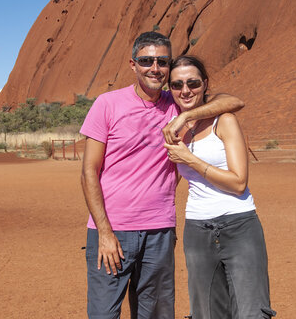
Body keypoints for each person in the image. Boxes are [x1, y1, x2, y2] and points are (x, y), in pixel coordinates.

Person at [80, 32, 244, 319]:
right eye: (146, 60)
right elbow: (89, 172)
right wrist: (104, 232)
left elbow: (233, 101)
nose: (154, 68)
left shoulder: (178, 103)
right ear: (133, 64)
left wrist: (184, 116)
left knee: (156, 314)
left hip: (159, 231)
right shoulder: (107, 104)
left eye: (162, 62)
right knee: (103, 313)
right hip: (112, 231)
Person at [164, 55, 276, 319]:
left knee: (251, 312)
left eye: (193, 83)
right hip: (197, 229)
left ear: (204, 84)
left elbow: (238, 183)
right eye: (177, 85)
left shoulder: (223, 120)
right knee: (206, 312)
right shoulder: (173, 129)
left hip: (238, 225)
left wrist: (189, 157)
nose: (186, 90)